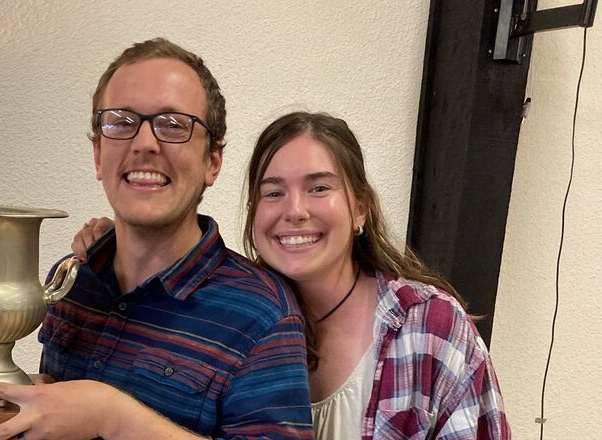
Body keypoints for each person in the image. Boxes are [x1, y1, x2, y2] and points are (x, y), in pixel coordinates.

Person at [74, 112, 510, 439]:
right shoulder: (232, 314)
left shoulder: (429, 327)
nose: (295, 211)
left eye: (320, 188)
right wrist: (125, 245)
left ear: (360, 208)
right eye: (273, 192)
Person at [0, 39, 313, 440]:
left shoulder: (264, 315)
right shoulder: (70, 279)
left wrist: (114, 417)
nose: (145, 143)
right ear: (98, 154)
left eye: (174, 124)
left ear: (212, 163)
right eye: (121, 121)